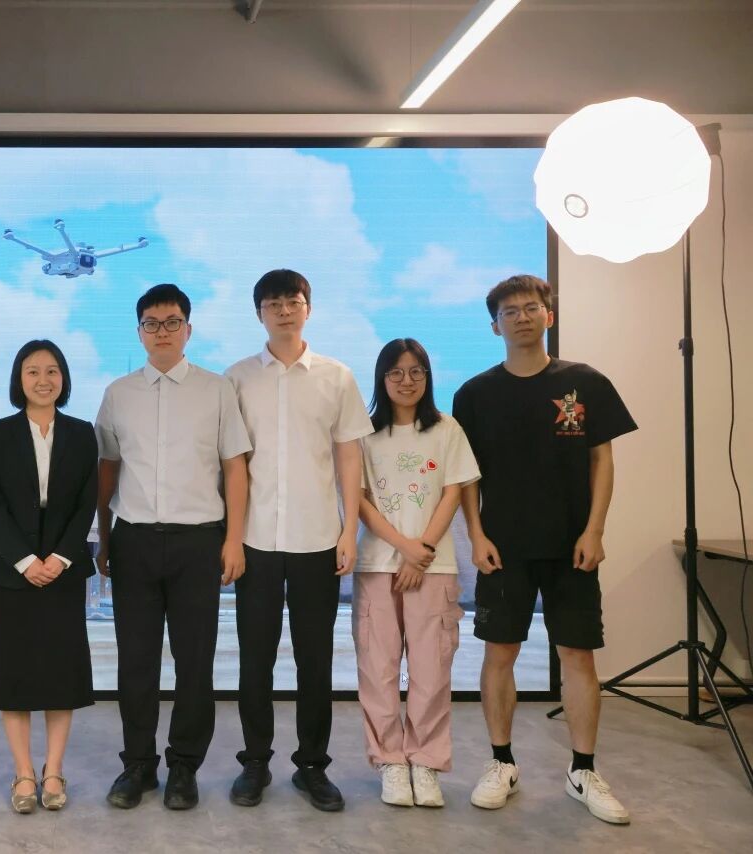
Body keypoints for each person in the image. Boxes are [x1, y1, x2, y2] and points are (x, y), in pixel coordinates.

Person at [453, 275, 636, 825]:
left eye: (531, 308)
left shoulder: (585, 383)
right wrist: (476, 535)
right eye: (509, 312)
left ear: (548, 316)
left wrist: (595, 530)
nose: (522, 317)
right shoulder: (475, 394)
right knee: (499, 654)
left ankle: (583, 771)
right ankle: (501, 763)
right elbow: (466, 476)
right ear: (495, 326)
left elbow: (602, 460)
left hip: (572, 545)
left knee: (578, 655)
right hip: (503, 548)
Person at [95, 283, 252, 811]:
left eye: (171, 322)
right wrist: (103, 538)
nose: (161, 331)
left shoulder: (216, 389)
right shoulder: (119, 393)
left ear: (188, 328)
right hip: (134, 541)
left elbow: (235, 467)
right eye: (151, 323)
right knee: (135, 662)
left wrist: (234, 539)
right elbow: (107, 470)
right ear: (139, 331)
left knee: (194, 662)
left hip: (198, 542)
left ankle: (184, 766)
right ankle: (138, 765)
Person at [224, 269, 372, 812]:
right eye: (273, 303)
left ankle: (312, 766)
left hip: (317, 540)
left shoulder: (337, 376)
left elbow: (349, 456)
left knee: (315, 661)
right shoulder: (237, 378)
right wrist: (230, 538)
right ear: (258, 313)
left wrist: (348, 530)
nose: (284, 310)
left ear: (308, 308)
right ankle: (255, 762)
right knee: (255, 660)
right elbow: (231, 462)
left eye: (293, 301)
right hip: (256, 540)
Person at [354, 338, 480, 808]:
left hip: (434, 566)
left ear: (427, 377)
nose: (406, 381)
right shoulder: (364, 434)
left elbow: (454, 492)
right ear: (381, 379)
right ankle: (390, 761)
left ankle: (425, 763)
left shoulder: (447, 429)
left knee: (431, 670)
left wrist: (420, 550)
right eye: (396, 373)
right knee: (379, 669)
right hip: (377, 566)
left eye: (415, 372)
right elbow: (360, 500)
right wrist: (404, 547)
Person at [0, 340, 98, 813]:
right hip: (11, 574)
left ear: (63, 378)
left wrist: (60, 558)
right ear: (19, 379)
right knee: (14, 675)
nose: (43, 380)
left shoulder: (82, 433)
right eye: (32, 371)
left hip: (63, 573)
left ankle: (54, 770)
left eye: (52, 371)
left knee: (61, 674)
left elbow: (87, 501)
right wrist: (26, 561)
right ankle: (24, 772)